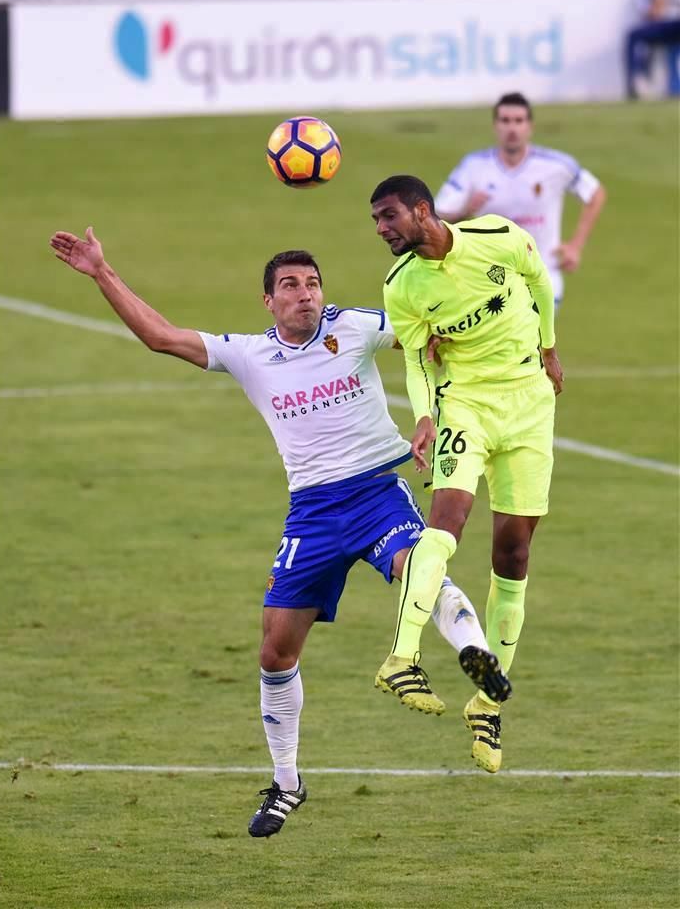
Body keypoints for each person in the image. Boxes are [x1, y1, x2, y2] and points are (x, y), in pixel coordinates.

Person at [49, 227, 512, 835]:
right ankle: (287, 783)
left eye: (313, 283)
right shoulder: (249, 353)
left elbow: (431, 338)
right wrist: (101, 272)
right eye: (290, 286)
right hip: (313, 515)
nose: (306, 294)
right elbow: (161, 338)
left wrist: (445, 401)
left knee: (417, 565)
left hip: (377, 492)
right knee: (275, 650)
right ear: (267, 300)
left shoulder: (357, 326)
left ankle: (475, 656)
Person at [370, 175, 564, 774]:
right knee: (445, 524)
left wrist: (550, 350)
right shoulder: (401, 287)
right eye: (376, 221)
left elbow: (541, 283)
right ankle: (401, 657)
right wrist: (426, 417)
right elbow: (413, 358)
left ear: (422, 211)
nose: (382, 229)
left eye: (389, 216)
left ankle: (486, 705)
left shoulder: (500, 236)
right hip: (467, 409)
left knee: (514, 554)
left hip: (531, 407)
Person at [433, 92, 606, 306]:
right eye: (505, 121)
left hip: (542, 275)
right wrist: (465, 211)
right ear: (495, 126)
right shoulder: (473, 166)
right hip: (489, 277)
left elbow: (595, 193)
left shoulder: (556, 165)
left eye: (518, 121)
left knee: (533, 337)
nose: (512, 128)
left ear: (529, 126)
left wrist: (576, 246)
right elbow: (437, 215)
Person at [625, 0, 680, 99]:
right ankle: (634, 82)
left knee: (674, 49)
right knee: (633, 36)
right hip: (659, 25)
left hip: (677, 24)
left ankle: (674, 89)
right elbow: (651, 13)